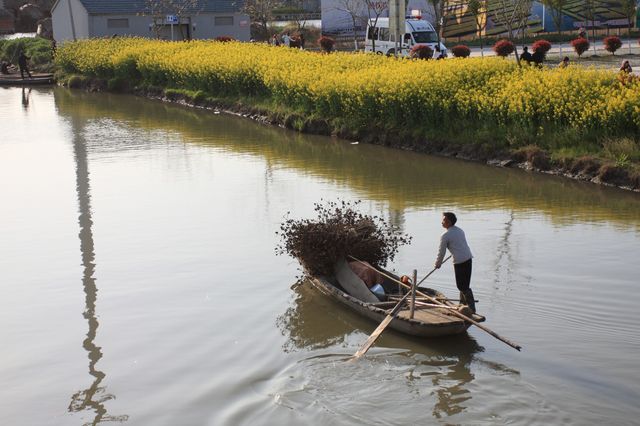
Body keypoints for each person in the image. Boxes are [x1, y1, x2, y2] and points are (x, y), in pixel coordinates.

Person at [434, 212, 475, 313]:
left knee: (461, 286)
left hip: (460, 261)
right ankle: (463, 305)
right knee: (465, 285)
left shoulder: (445, 235)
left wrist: (438, 263)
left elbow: (441, 252)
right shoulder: (460, 230)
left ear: (448, 222)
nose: (442, 222)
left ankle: (471, 308)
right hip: (468, 258)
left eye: (443, 220)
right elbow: (459, 244)